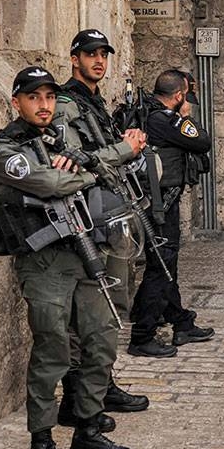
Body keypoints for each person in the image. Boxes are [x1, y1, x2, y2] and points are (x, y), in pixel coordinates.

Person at [0, 66, 133, 449]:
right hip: (44, 264)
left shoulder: (59, 140)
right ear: (16, 102)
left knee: (101, 338)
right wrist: (83, 175)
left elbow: (105, 173)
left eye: (50, 96)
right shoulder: (4, 151)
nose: (44, 104)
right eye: (34, 97)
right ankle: (41, 448)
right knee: (52, 352)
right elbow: (51, 183)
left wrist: (82, 168)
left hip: (82, 252)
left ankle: (88, 429)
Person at [52, 29, 150, 427]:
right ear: (74, 58)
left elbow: (100, 155)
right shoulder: (64, 104)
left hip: (110, 215)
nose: (99, 61)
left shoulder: (94, 103)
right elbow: (76, 161)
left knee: (113, 304)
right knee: (87, 312)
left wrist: (126, 144)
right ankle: (77, 397)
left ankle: (102, 383)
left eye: (104, 55)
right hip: (86, 219)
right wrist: (125, 149)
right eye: (91, 54)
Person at [129, 70, 215, 358]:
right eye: (185, 96)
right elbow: (202, 141)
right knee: (161, 267)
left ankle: (180, 321)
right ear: (178, 96)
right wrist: (186, 116)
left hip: (162, 202)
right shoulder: (163, 119)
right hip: (160, 206)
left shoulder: (153, 116)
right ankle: (142, 334)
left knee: (167, 265)